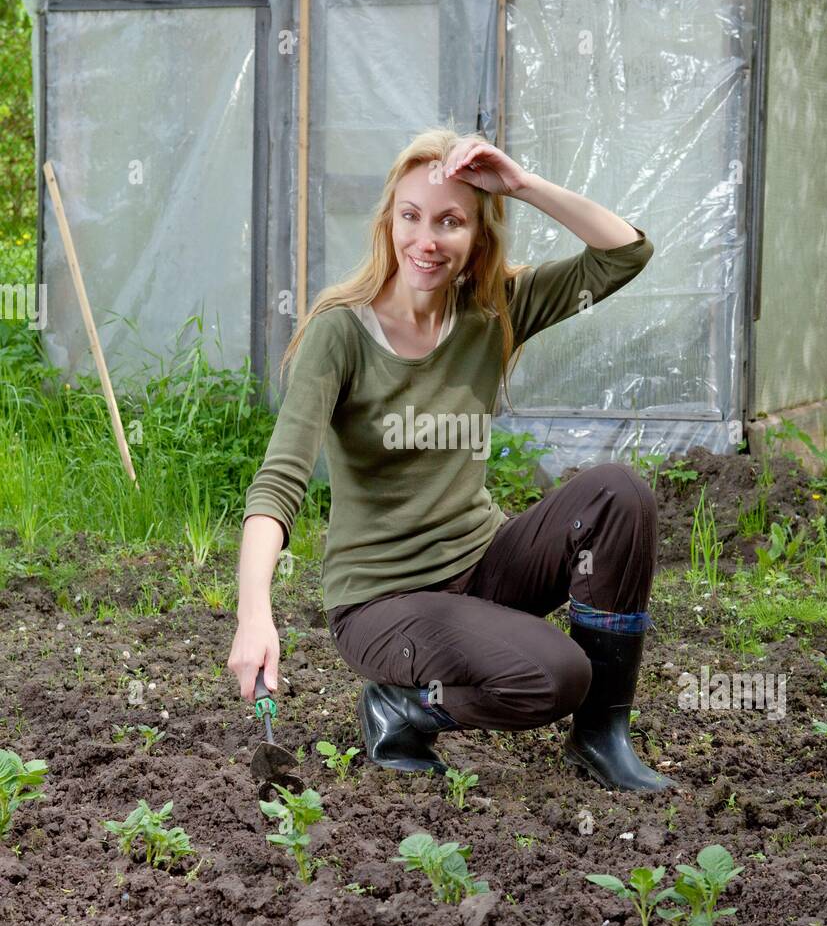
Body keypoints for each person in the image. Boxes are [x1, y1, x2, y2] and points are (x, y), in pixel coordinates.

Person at [228, 127, 675, 794]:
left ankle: (599, 736)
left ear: (477, 236)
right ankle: (401, 707)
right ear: (388, 222)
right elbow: (279, 484)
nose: (425, 240)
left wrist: (521, 185)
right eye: (410, 216)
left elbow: (624, 254)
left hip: (482, 567)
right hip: (385, 603)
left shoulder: (492, 309)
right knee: (553, 675)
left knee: (618, 493)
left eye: (450, 221)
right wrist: (253, 613)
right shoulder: (340, 333)